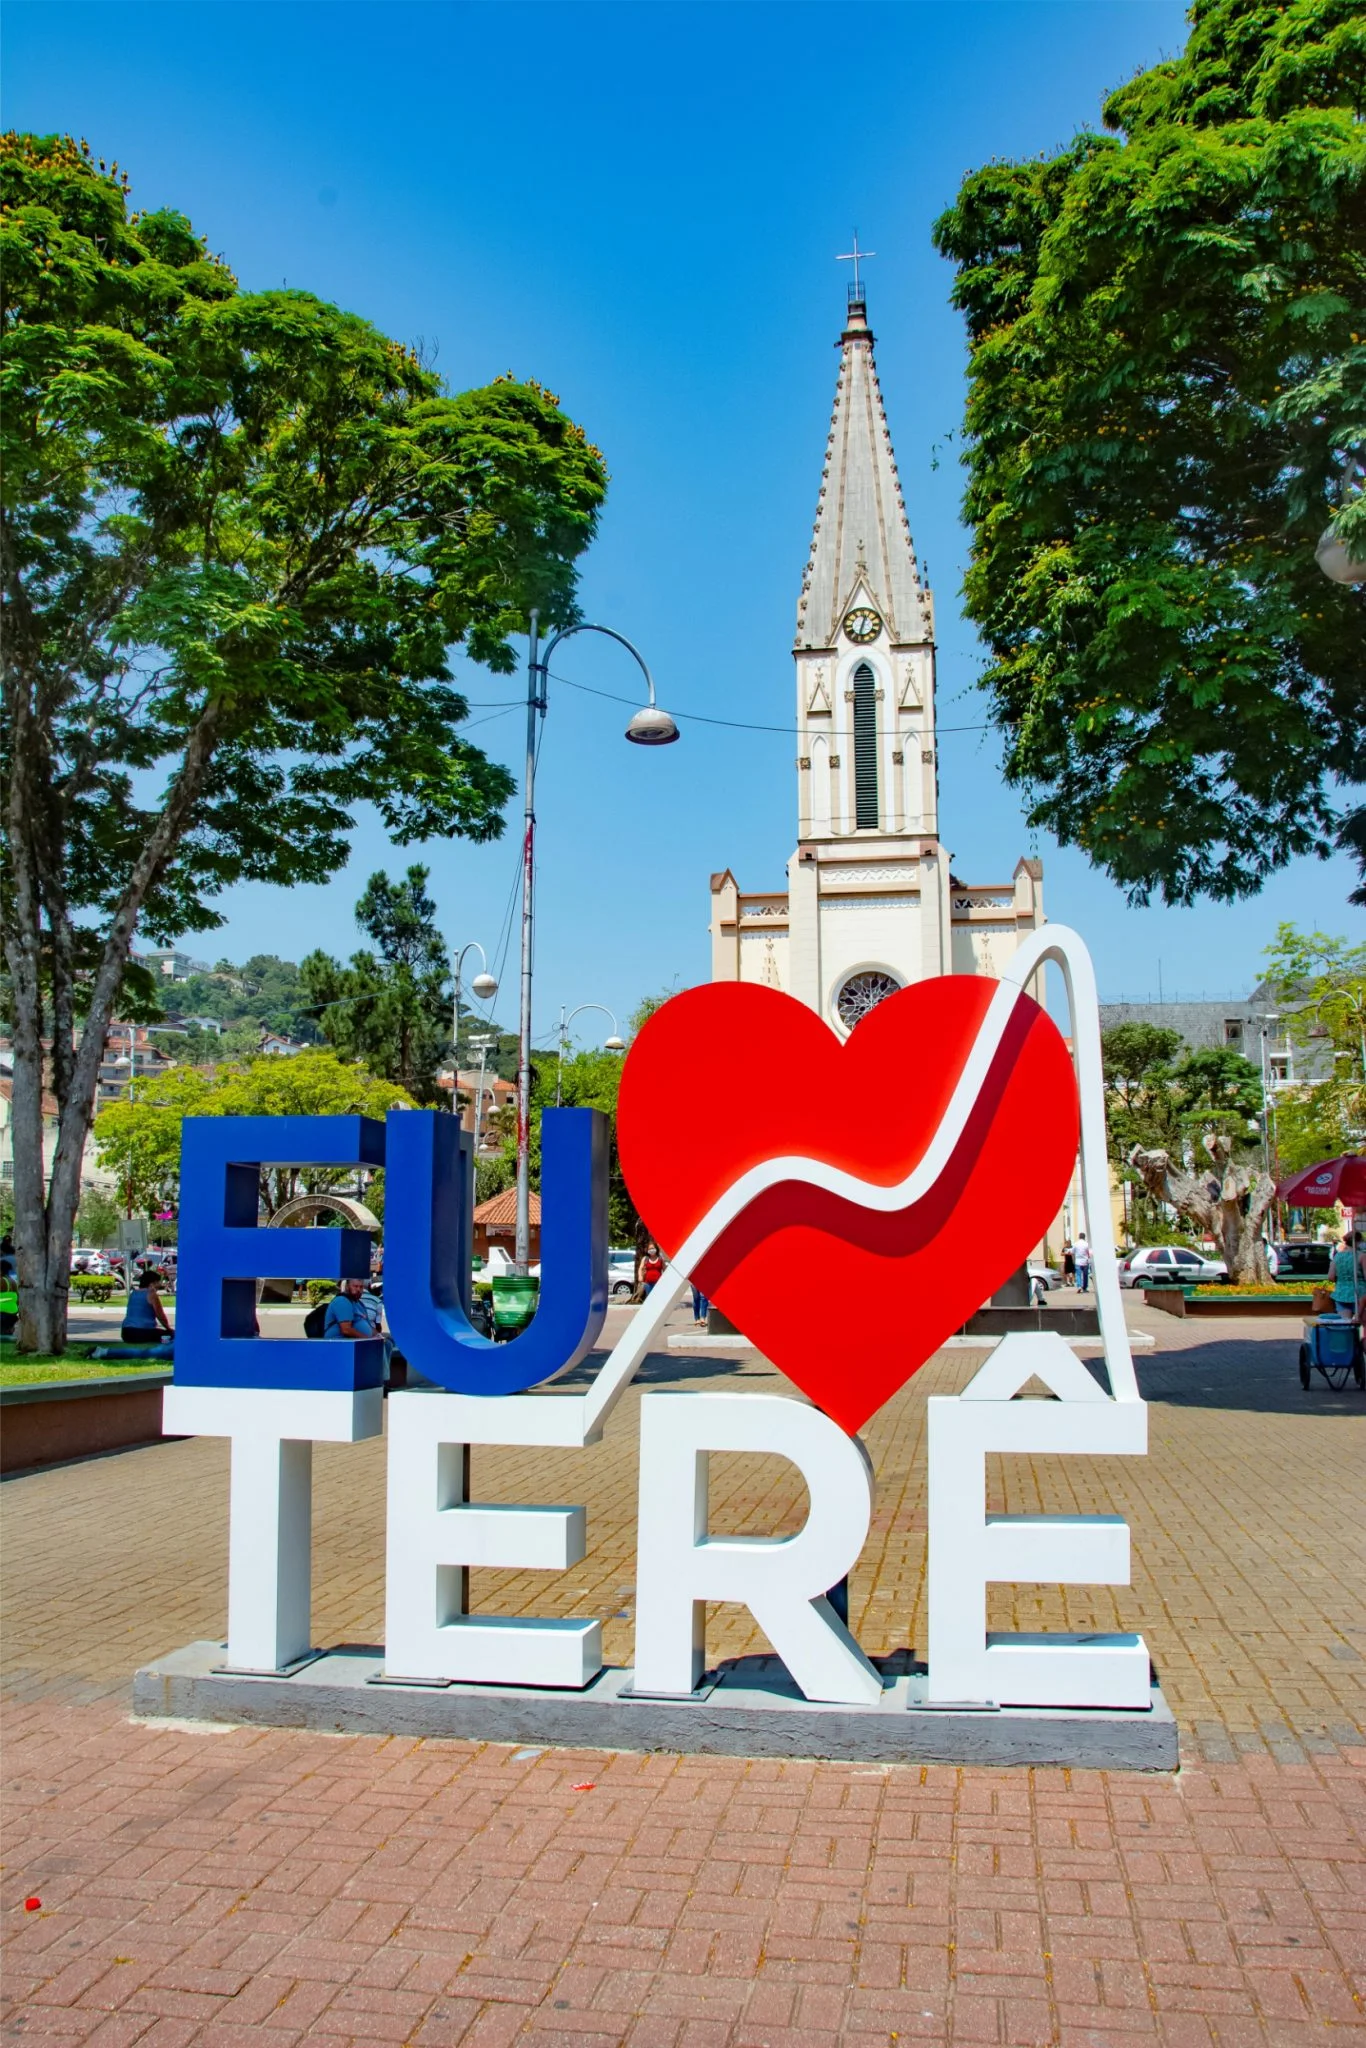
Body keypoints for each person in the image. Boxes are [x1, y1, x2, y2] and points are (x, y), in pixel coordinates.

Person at [324, 1276, 394, 1368]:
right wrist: (368, 1339)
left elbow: (369, 1327)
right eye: (355, 1286)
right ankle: (380, 1375)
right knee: (378, 1346)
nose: (358, 1290)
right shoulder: (342, 1301)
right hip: (341, 1344)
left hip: (358, 1342)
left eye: (361, 1287)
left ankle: (382, 1374)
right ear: (347, 1286)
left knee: (387, 1342)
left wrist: (378, 1336)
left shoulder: (359, 1303)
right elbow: (346, 1329)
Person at [122, 1267, 172, 1345]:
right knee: (171, 1336)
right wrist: (168, 1329)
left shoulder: (133, 1293)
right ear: (151, 1284)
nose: (159, 1285)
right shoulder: (151, 1294)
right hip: (142, 1332)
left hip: (126, 1333)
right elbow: (160, 1316)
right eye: (157, 1282)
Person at [1331, 1231, 1365, 1323]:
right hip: (1360, 1294)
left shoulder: (1338, 1256)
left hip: (1341, 1293)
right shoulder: (1362, 1256)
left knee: (1346, 1324)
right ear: (1358, 1242)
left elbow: (1331, 1277)